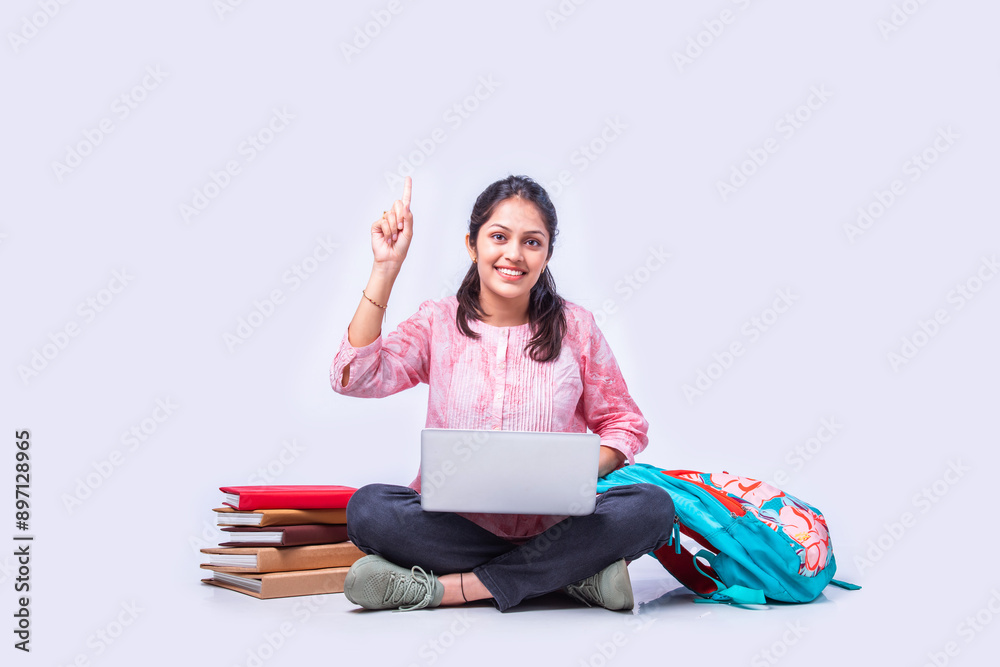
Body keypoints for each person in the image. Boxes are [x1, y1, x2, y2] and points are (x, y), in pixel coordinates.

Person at [330, 174, 674, 612]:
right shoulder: (437, 322)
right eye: (499, 237)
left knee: (651, 507)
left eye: (532, 242)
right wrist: (385, 269)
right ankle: (567, 578)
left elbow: (625, 424)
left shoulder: (578, 328)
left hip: (557, 528)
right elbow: (353, 377)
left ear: (547, 253)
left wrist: (578, 469)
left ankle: (448, 590)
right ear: (473, 245)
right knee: (369, 510)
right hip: (454, 528)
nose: (514, 254)